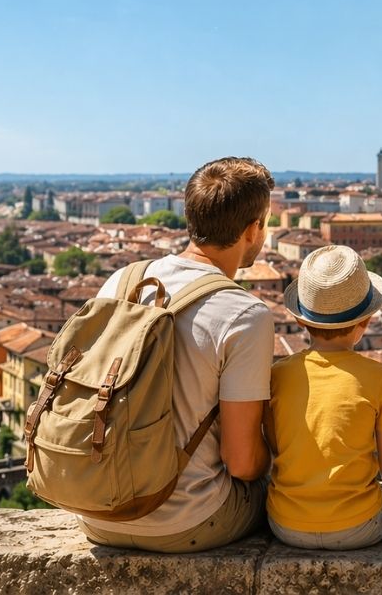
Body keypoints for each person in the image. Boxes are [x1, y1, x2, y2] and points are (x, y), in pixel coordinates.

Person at [78, 157, 275, 553]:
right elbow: (240, 461)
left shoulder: (123, 280)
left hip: (96, 511)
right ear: (253, 230)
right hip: (188, 521)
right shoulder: (245, 315)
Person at [266, 245, 382, 550]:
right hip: (359, 525)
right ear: (366, 322)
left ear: (302, 321)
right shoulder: (380, 377)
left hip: (285, 524)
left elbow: (278, 448)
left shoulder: (278, 374)